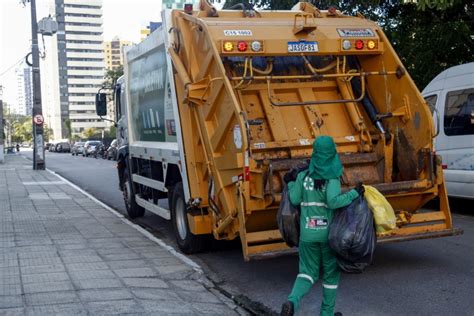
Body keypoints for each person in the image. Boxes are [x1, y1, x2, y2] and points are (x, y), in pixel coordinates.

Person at [280, 136, 364, 316]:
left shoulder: (303, 176)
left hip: (307, 235)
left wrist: (291, 181)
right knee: (330, 275)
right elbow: (333, 202)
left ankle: (292, 302)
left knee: (307, 273)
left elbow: (294, 199)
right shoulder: (332, 178)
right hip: (327, 236)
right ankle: (326, 314)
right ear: (332, 153)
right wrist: (354, 194)